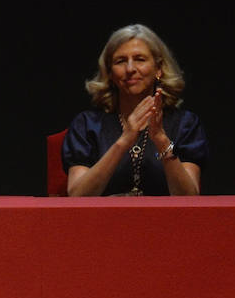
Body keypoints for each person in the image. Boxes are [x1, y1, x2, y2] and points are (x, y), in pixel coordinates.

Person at [62, 24, 206, 196]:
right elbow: (77, 196)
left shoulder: (185, 124)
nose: (130, 69)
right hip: (104, 221)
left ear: (158, 69)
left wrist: (161, 140)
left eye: (140, 59)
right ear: (109, 72)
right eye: (120, 61)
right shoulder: (87, 124)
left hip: (166, 221)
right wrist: (124, 140)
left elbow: (189, 197)